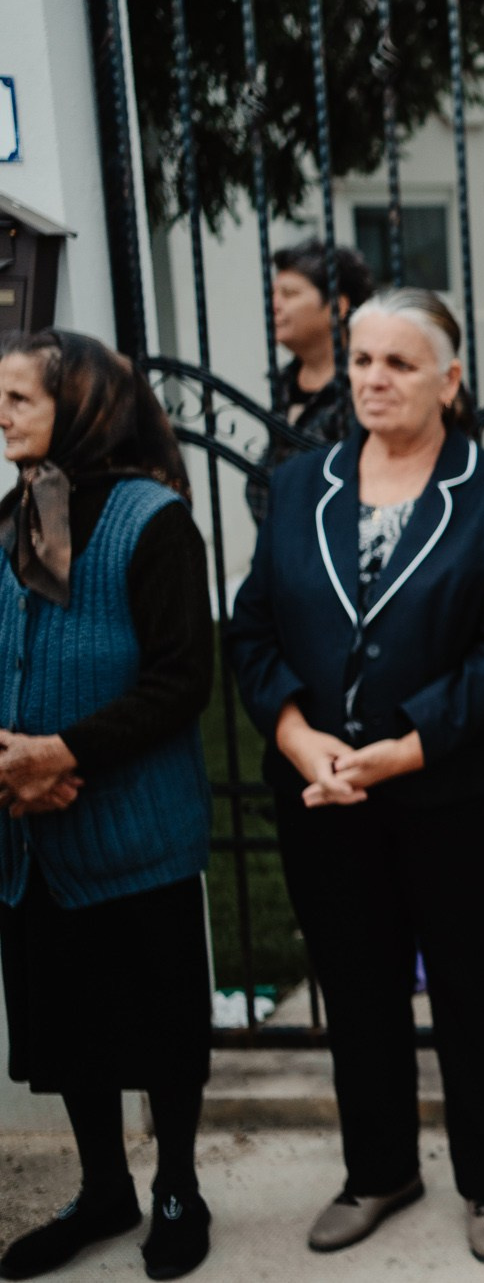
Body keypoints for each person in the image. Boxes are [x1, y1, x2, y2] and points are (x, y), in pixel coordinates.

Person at [224, 288, 484, 1266]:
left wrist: (407, 745)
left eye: (398, 364)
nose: (372, 379)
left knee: (476, 992)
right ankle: (378, 1171)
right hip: (326, 798)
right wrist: (294, 735)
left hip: (459, 797)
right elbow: (252, 628)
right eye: (362, 360)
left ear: (449, 382)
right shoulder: (297, 488)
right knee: (357, 989)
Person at [0, 330, 214, 1280]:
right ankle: (102, 1188)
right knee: (68, 1022)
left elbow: (182, 679)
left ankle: (176, 1185)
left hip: (131, 831)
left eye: (17, 398)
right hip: (30, 834)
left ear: (81, 405)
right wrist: (11, 762)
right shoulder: (15, 514)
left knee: (160, 1022)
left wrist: (66, 750)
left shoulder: (150, 519)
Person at [245, 240, 374, 524]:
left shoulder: (366, 387)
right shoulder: (284, 384)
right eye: (273, 293)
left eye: (289, 294)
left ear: (337, 307)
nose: (274, 305)